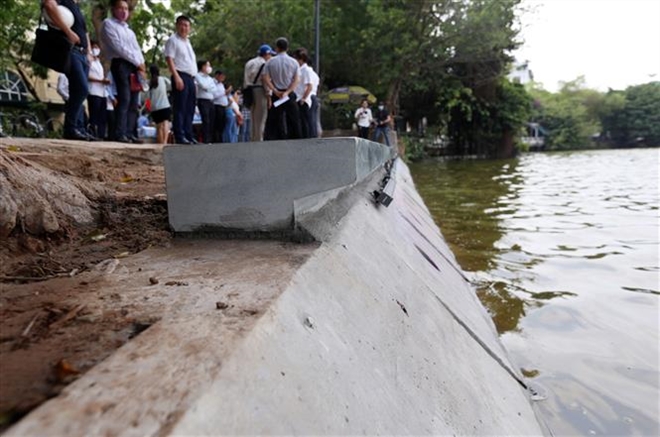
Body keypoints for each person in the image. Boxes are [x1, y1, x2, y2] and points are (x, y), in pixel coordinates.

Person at [43, 0, 95, 141]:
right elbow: (49, 5)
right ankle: (70, 128)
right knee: (81, 89)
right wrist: (68, 31)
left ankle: (80, 129)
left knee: (78, 93)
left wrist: (89, 52)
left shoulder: (76, 5)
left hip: (83, 54)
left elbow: (85, 31)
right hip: (70, 50)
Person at [101, 0, 146, 144]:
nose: (124, 11)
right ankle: (119, 133)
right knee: (125, 98)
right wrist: (137, 61)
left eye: (126, 8)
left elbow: (136, 48)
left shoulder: (129, 30)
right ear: (114, 9)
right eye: (120, 8)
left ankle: (130, 132)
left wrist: (142, 63)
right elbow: (118, 47)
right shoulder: (108, 24)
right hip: (120, 63)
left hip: (134, 66)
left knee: (134, 101)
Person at [164, 15, 197, 144]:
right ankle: (180, 134)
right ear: (177, 25)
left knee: (190, 108)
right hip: (180, 75)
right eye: (182, 25)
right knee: (180, 107)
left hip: (190, 77)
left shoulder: (188, 42)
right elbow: (169, 59)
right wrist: (176, 76)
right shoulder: (173, 40)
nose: (184, 28)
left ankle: (188, 134)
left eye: (187, 25)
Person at [262, 37, 301, 140]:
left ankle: (272, 139)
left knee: (273, 120)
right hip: (288, 93)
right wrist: (287, 92)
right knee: (294, 119)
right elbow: (296, 80)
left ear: (277, 48)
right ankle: (296, 139)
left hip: (277, 93)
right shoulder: (294, 62)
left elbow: (265, 77)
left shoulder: (270, 62)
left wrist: (274, 90)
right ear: (287, 48)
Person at [243, 44, 274, 141]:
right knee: (261, 118)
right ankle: (259, 139)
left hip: (249, 90)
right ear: (267, 54)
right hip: (260, 90)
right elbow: (264, 79)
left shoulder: (249, 62)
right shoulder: (264, 64)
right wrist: (269, 96)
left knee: (252, 116)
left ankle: (252, 138)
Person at [87, 40, 109, 139]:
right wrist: (100, 81)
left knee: (102, 116)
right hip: (93, 91)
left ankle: (101, 134)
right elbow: (87, 76)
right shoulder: (89, 61)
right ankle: (92, 133)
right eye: (94, 47)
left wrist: (104, 80)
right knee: (94, 114)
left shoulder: (98, 62)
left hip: (102, 92)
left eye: (97, 47)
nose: (96, 49)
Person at [146, 65, 171, 144]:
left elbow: (147, 97)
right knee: (165, 123)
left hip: (155, 108)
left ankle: (160, 143)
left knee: (159, 126)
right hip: (165, 105)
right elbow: (171, 85)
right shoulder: (163, 79)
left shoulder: (149, 82)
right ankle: (165, 141)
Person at [292, 47, 313, 139]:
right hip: (296, 97)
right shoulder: (298, 70)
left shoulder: (306, 70)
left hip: (302, 99)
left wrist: (304, 98)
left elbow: (309, 86)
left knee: (304, 121)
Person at [195, 59, 215, 143]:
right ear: (202, 66)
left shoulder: (210, 78)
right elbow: (203, 86)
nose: (209, 68)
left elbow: (214, 88)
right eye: (207, 65)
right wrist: (208, 87)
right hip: (202, 100)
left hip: (210, 100)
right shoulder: (197, 76)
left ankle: (210, 139)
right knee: (205, 120)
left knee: (211, 120)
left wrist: (208, 87)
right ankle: (205, 139)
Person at [212, 70, 230, 143]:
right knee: (217, 123)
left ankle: (220, 138)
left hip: (223, 106)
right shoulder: (213, 83)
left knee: (222, 123)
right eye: (221, 76)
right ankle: (216, 139)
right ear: (217, 75)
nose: (223, 78)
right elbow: (214, 95)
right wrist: (224, 92)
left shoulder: (221, 84)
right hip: (217, 105)